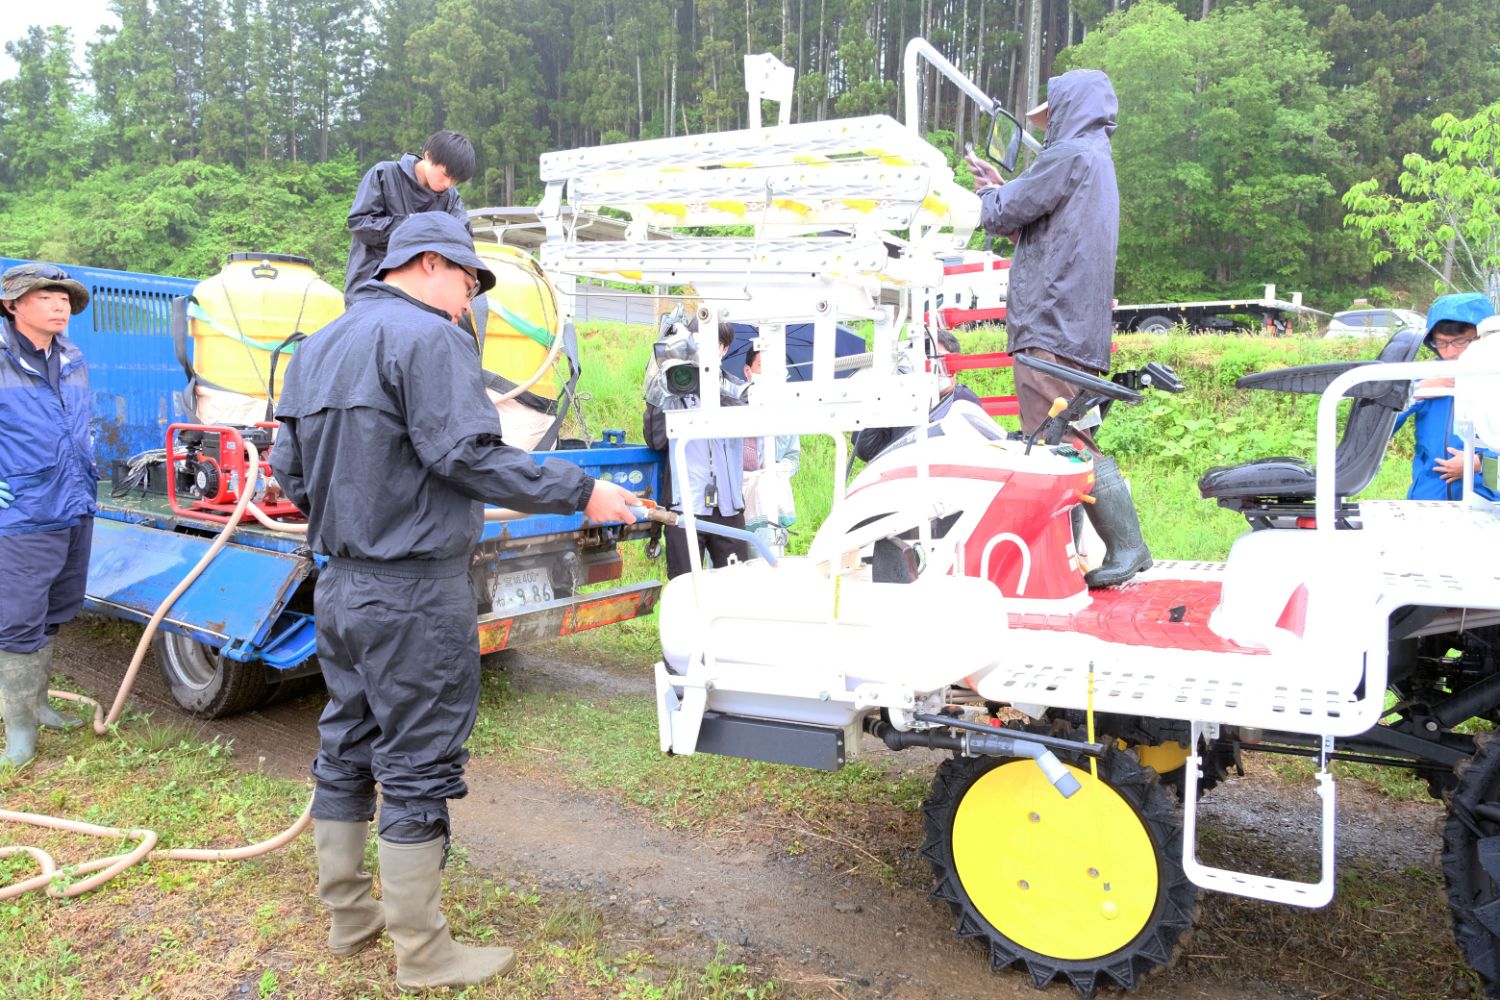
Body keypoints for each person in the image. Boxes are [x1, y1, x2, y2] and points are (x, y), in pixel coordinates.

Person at [270, 212, 639, 989]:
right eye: (469, 281)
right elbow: (468, 455)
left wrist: (359, 512)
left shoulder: (319, 347)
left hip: (338, 583)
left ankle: (349, 919)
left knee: (346, 742)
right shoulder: (431, 338)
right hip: (412, 591)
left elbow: (292, 474)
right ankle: (423, 951)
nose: (470, 299)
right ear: (430, 263)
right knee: (417, 760)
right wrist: (584, 490)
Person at [966, 69, 1149, 588]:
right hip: (1078, 328)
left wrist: (988, 198)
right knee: (1062, 439)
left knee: (1060, 443)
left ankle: (1127, 544)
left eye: (1051, 117)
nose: (1047, 129)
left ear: (1068, 110)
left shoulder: (1068, 155)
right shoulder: (1095, 160)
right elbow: (1034, 208)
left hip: (1050, 324)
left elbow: (1003, 214)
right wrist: (1006, 191)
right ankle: (1066, 557)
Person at [0, 264, 91, 767]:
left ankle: (38, 704)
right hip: (22, 511)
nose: (60, 305)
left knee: (56, 607)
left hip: (73, 502)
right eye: (47, 296)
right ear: (14, 305)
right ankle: (18, 732)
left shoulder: (73, 357)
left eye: (64, 297)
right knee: (17, 618)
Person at [641, 321, 750, 578]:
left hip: (729, 507)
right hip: (685, 507)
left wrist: (708, 386)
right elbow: (655, 440)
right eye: (696, 343)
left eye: (711, 345)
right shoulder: (673, 388)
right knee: (685, 588)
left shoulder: (737, 388)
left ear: (723, 349)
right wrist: (659, 385)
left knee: (737, 585)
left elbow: (744, 416)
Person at [344, 130, 476, 304]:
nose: (447, 184)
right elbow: (360, 223)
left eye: (454, 181)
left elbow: (463, 239)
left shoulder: (450, 198)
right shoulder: (384, 174)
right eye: (445, 175)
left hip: (422, 295)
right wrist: (414, 226)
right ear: (428, 156)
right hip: (371, 286)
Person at [1394, 292, 1499, 502]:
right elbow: (1379, 429)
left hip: (1489, 504)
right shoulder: (1426, 377)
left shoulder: (1494, 380)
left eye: (1461, 342)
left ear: (1483, 339)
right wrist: (1414, 392)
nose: (1450, 352)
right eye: (1441, 343)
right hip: (1429, 499)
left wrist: (1478, 464)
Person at [852, 328, 983, 463]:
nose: (930, 365)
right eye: (925, 358)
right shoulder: (903, 402)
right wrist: (880, 395)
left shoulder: (963, 400)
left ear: (954, 365)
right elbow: (867, 450)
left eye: (938, 359)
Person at [741, 347, 800, 557]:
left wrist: (776, 471)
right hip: (736, 501)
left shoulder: (785, 411)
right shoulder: (732, 405)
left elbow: (793, 457)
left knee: (769, 559)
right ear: (748, 371)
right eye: (761, 367)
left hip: (769, 502)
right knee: (732, 563)